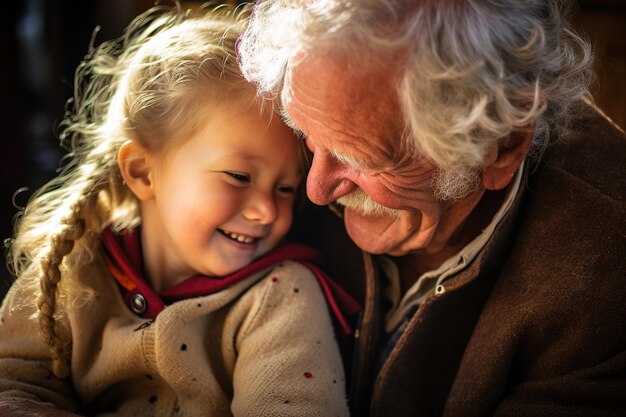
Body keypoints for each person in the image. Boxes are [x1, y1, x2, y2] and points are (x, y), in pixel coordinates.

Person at [238, 0, 626, 416]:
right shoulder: (247, 109)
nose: (315, 189)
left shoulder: (607, 277)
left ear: (501, 145)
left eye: (365, 161)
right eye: (306, 133)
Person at [0, 5, 358, 416]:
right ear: (142, 172)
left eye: (285, 188)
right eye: (239, 177)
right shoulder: (73, 264)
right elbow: (15, 382)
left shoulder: (282, 296)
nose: (265, 210)